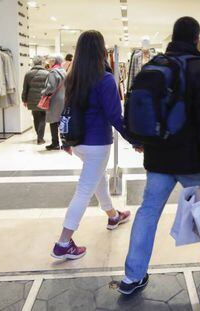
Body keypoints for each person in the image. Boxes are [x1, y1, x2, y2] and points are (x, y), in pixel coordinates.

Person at [119, 17, 200, 295]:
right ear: (195, 38)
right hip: (192, 160)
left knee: (148, 212)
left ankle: (132, 276)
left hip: (159, 158)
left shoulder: (156, 65)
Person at [51, 30, 131, 260]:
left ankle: (113, 215)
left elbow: (66, 109)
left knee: (98, 179)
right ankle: (63, 242)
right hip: (97, 143)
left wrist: (65, 139)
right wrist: (135, 140)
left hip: (78, 143)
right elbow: (116, 116)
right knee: (84, 190)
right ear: (100, 50)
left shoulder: (72, 76)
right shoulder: (105, 79)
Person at [21, 56, 49, 144]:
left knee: (35, 117)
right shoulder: (47, 73)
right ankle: (40, 138)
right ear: (42, 63)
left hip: (31, 99)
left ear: (33, 63)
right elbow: (48, 87)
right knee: (42, 118)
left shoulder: (28, 74)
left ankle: (38, 135)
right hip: (42, 99)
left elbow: (25, 88)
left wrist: (24, 100)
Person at [42, 54, 67, 150]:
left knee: (53, 121)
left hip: (54, 100)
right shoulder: (63, 71)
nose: (49, 62)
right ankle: (65, 143)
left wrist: (44, 92)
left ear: (54, 61)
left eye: (51, 60)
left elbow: (50, 87)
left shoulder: (53, 72)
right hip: (63, 98)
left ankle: (55, 143)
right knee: (62, 121)